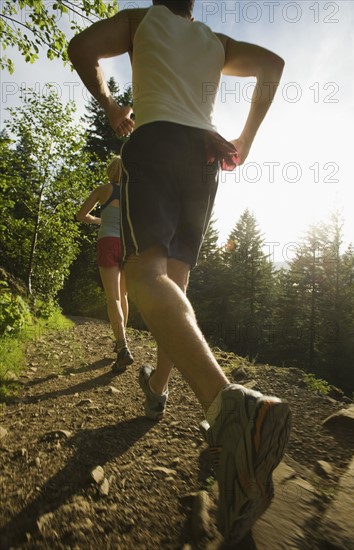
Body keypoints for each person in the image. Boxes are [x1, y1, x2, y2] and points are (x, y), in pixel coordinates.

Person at [68, 0, 291, 544]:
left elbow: (81, 49)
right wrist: (247, 138)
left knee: (145, 276)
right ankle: (159, 389)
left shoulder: (142, 20)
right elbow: (274, 66)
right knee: (177, 281)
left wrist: (110, 104)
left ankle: (231, 406)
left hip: (156, 141)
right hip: (204, 157)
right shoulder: (214, 41)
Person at [76, 156, 133, 372]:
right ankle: (122, 341)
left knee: (113, 298)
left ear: (110, 171)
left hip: (107, 242)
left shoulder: (102, 190)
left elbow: (81, 215)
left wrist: (99, 220)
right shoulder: (131, 193)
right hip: (127, 246)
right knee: (124, 296)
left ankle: (122, 346)